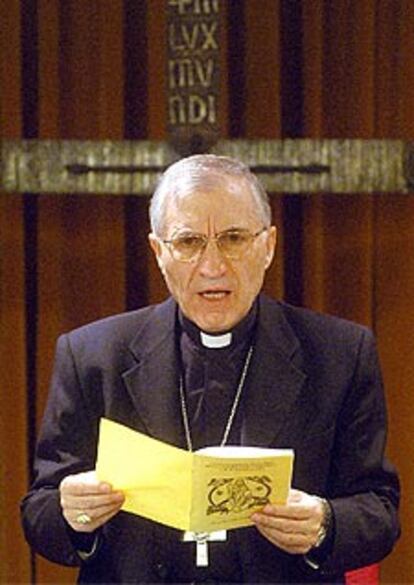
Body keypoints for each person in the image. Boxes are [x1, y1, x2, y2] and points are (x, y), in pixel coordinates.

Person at [21, 155, 400, 583]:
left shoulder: (339, 354)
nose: (213, 266)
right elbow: (40, 513)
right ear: (158, 252)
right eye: (188, 242)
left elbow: (380, 511)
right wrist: (73, 514)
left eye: (234, 238)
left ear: (269, 245)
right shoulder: (92, 356)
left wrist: (325, 523)